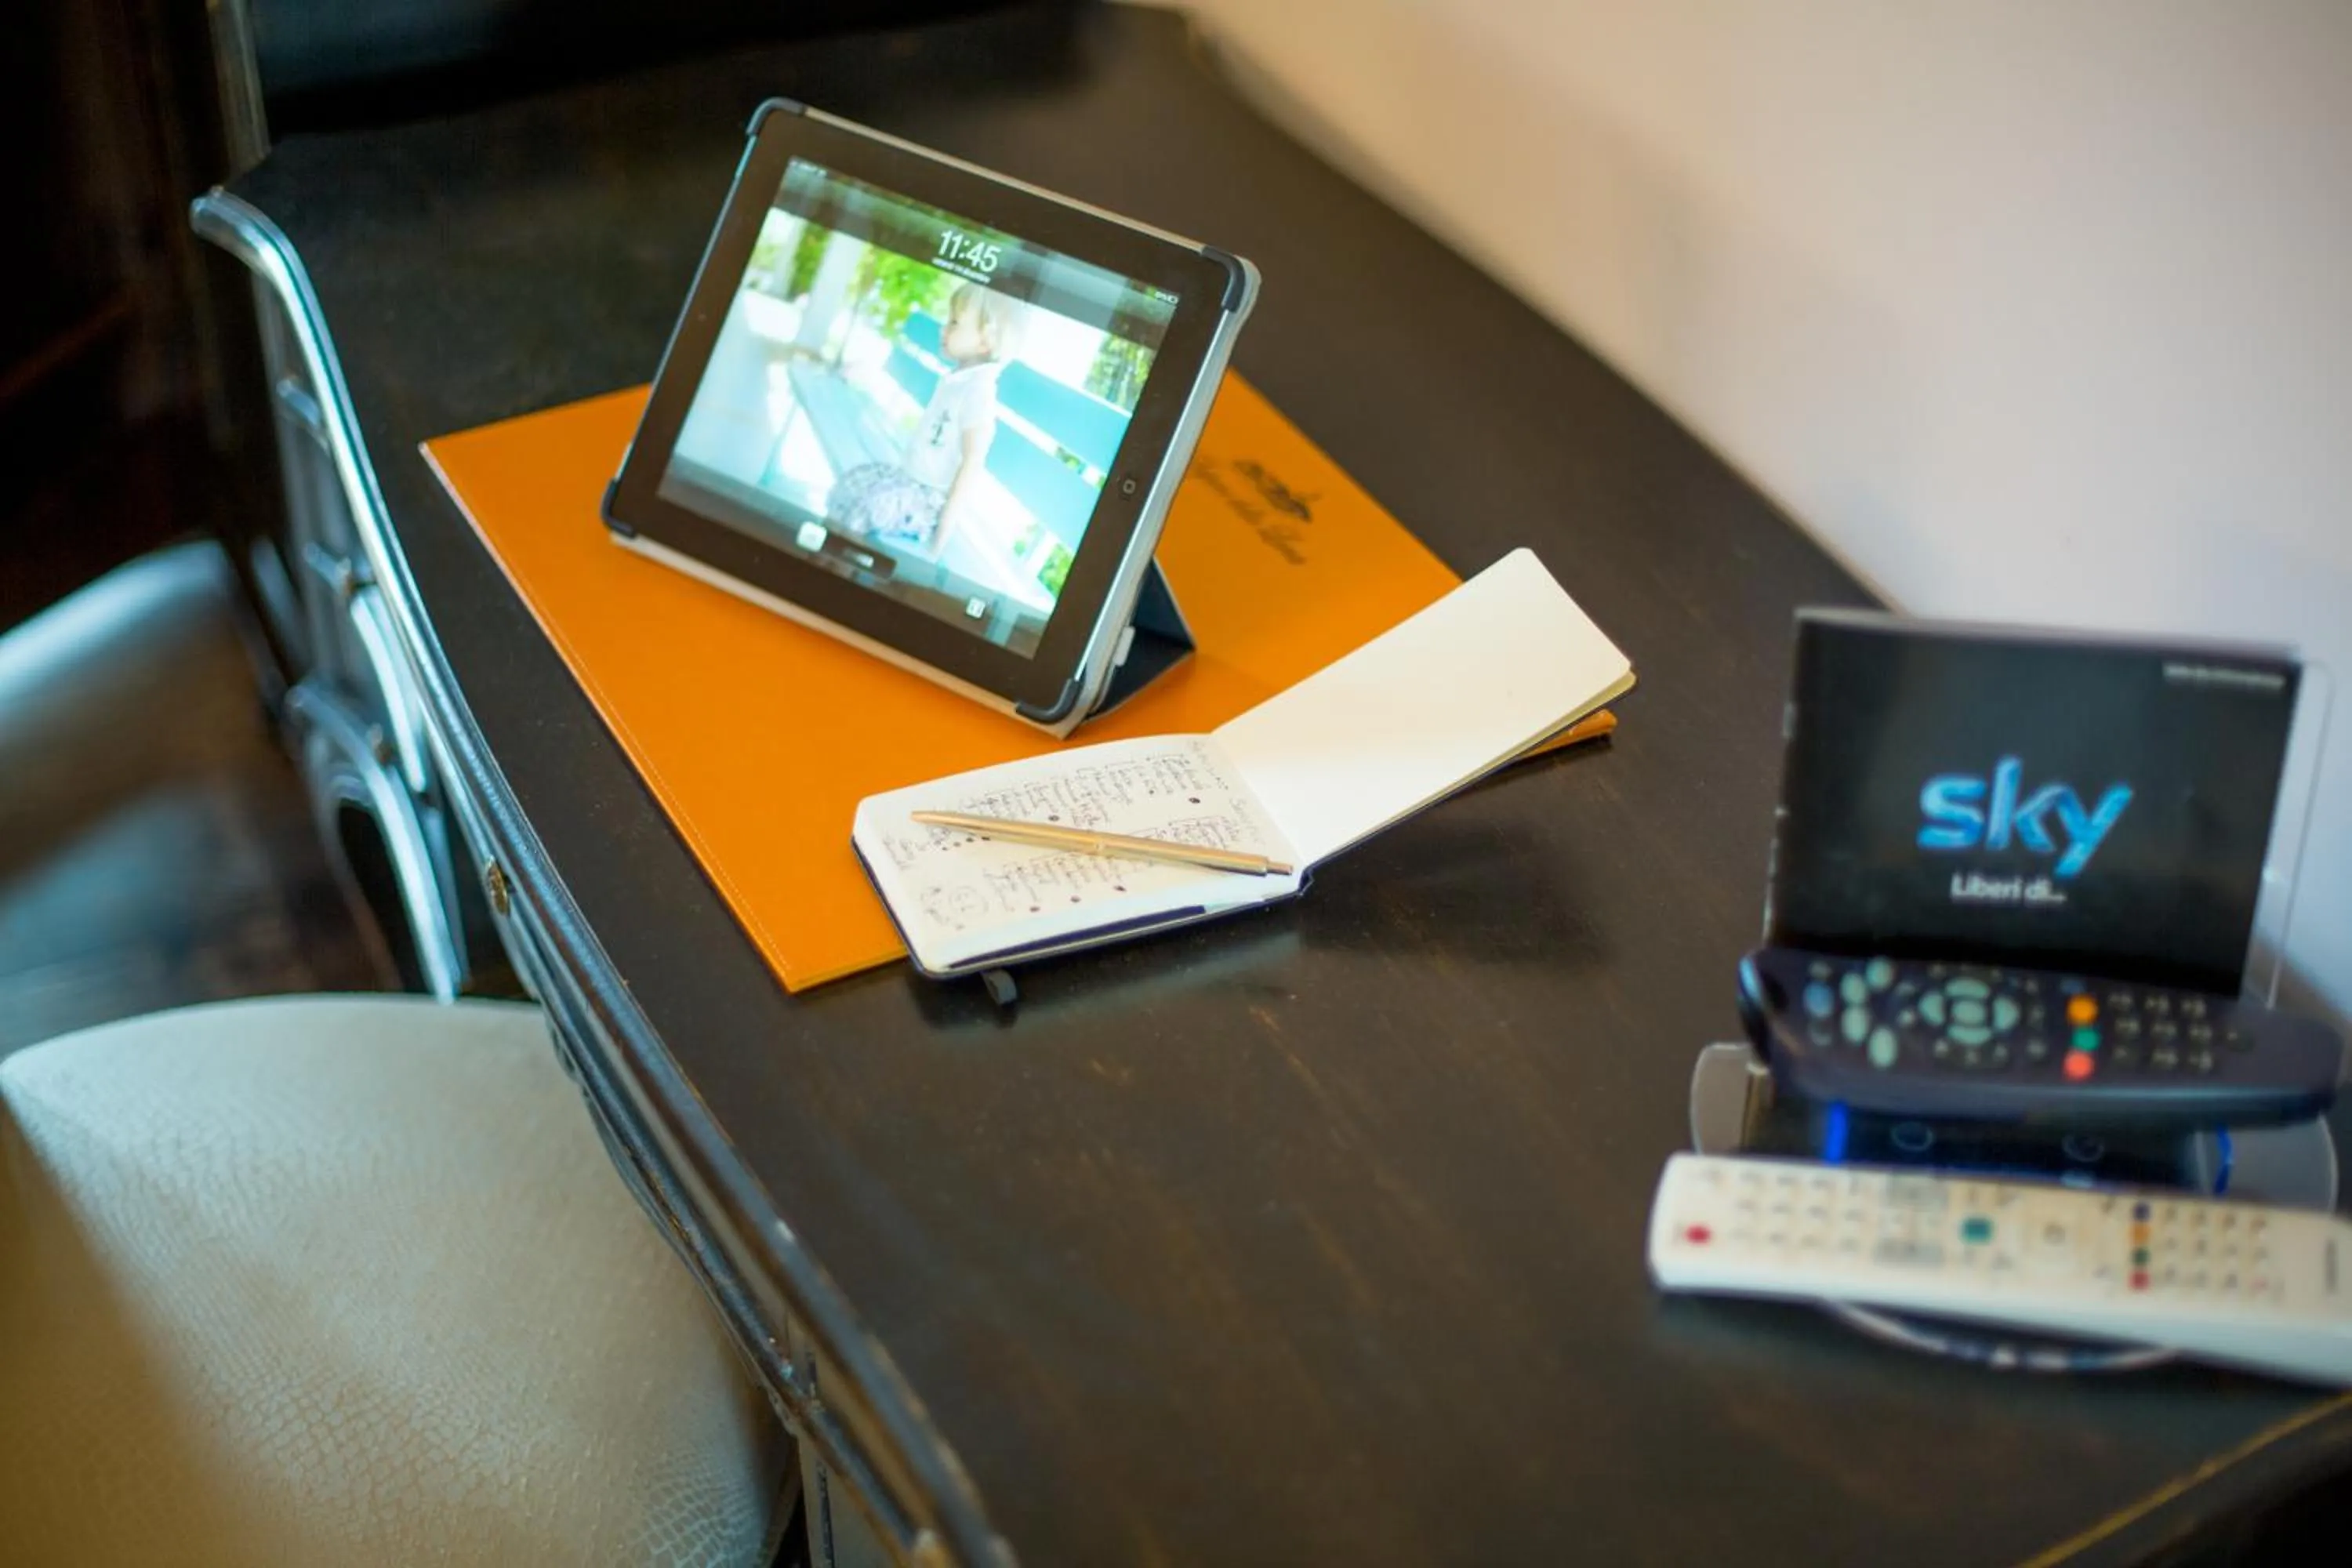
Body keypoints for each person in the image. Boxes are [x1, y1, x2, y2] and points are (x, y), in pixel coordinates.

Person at [831, 281, 1024, 556]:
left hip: (929, 503)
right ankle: (828, 558)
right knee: (851, 484)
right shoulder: (959, 379)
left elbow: (972, 462)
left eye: (955, 323)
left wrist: (944, 528)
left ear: (985, 340)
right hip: (908, 481)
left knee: (868, 505)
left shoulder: (978, 392)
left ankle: (843, 567)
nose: (943, 329)